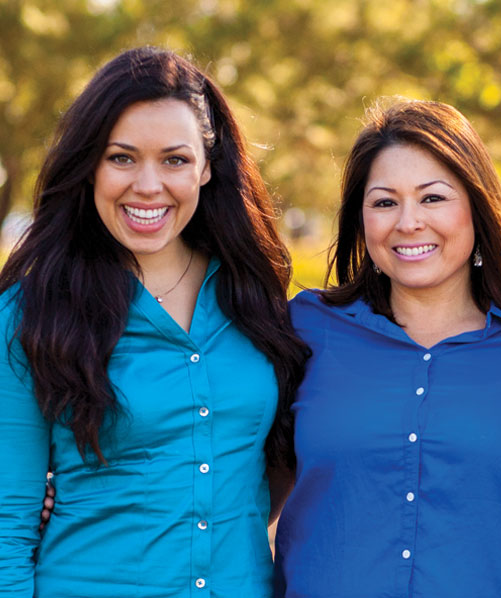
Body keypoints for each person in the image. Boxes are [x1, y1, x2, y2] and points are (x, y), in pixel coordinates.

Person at [0, 47, 307, 597]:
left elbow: (275, 465)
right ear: (89, 164)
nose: (148, 185)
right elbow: (6, 525)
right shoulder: (31, 316)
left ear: (207, 167)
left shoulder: (256, 299)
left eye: (174, 159)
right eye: (122, 158)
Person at [273, 99, 501, 597]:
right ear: (362, 221)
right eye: (384, 202)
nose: (408, 222)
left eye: (433, 198)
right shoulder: (305, 331)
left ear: (477, 208)